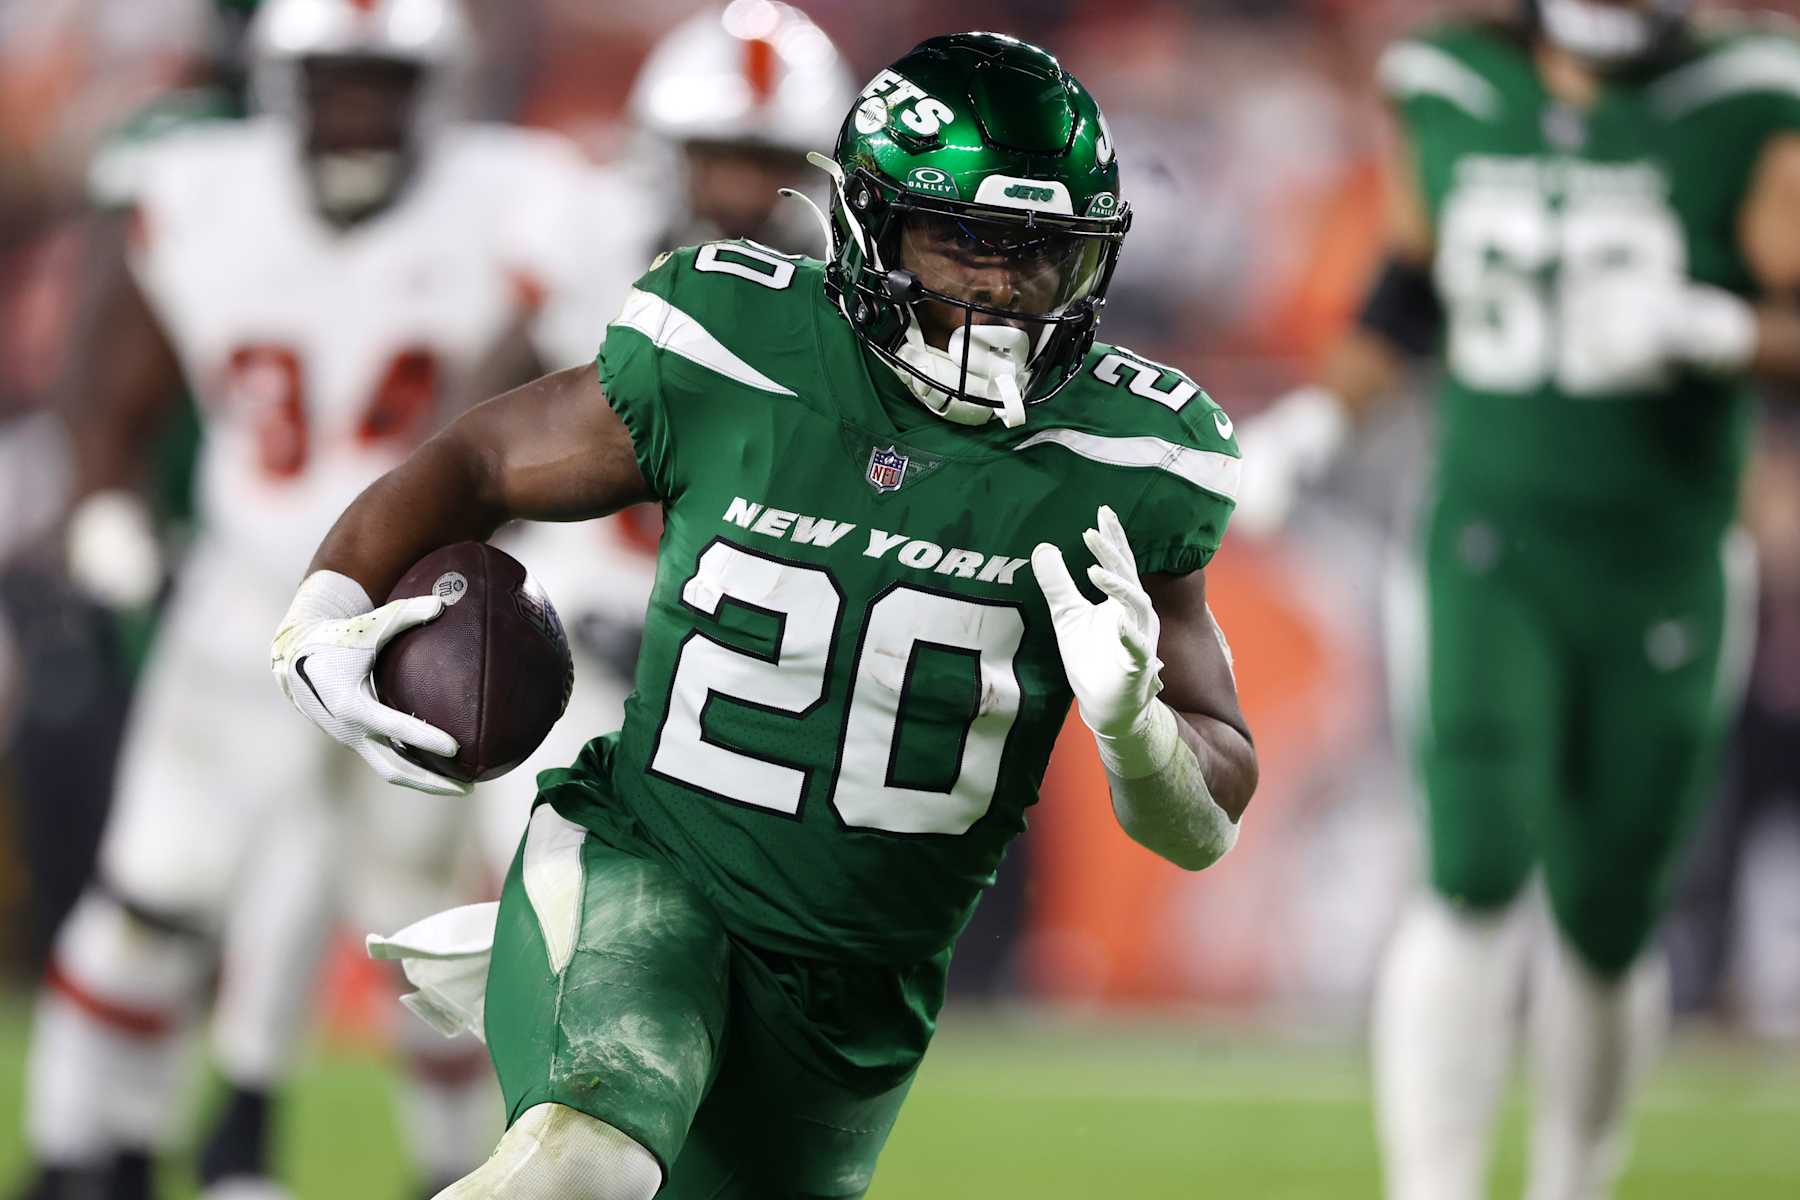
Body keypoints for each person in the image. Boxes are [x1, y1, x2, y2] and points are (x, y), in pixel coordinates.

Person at [272, 32, 1257, 1199]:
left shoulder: (1136, 460)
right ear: (871, 228)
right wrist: (320, 613)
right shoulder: (737, 345)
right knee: (581, 1167)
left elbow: (1206, 814)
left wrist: (1139, 733)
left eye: (1037, 254)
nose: (997, 287)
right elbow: (480, 458)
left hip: (861, 992)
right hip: (652, 870)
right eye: (961, 242)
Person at [18, 2, 584, 1198]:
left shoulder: (520, 198)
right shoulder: (200, 192)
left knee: (422, 930)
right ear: (280, 82)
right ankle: (84, 1155)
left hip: (415, 613)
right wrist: (107, 502)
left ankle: (444, 1172)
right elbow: (104, 382)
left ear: (435, 87)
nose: (357, 109)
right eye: (334, 80)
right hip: (240, 604)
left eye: (383, 80)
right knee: (152, 903)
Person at [1234, 3, 1800, 1197]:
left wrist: (1716, 327)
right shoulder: (1447, 80)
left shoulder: (1748, 99)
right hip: (1491, 543)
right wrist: (1320, 420)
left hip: (1667, 556)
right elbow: (1407, 285)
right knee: (1474, 867)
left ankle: (1571, 1184)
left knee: (1608, 913)